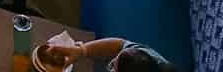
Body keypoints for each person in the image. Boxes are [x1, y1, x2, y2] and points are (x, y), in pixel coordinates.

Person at [37, 35, 176, 71]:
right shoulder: (144, 55)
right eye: (113, 62)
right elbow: (118, 45)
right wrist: (82, 51)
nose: (109, 65)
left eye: (113, 68)